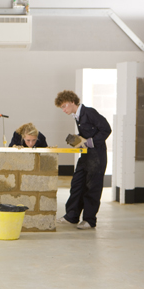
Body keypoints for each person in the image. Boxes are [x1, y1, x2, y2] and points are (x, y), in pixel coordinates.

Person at [54, 90, 111, 229]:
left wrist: (90, 142)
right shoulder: (78, 116)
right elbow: (87, 135)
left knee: (92, 187)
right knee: (77, 184)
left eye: (64, 106)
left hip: (97, 157)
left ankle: (89, 220)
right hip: (86, 156)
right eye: (61, 107)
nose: (63, 110)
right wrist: (77, 140)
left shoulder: (89, 112)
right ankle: (71, 216)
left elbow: (106, 129)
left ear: (72, 102)